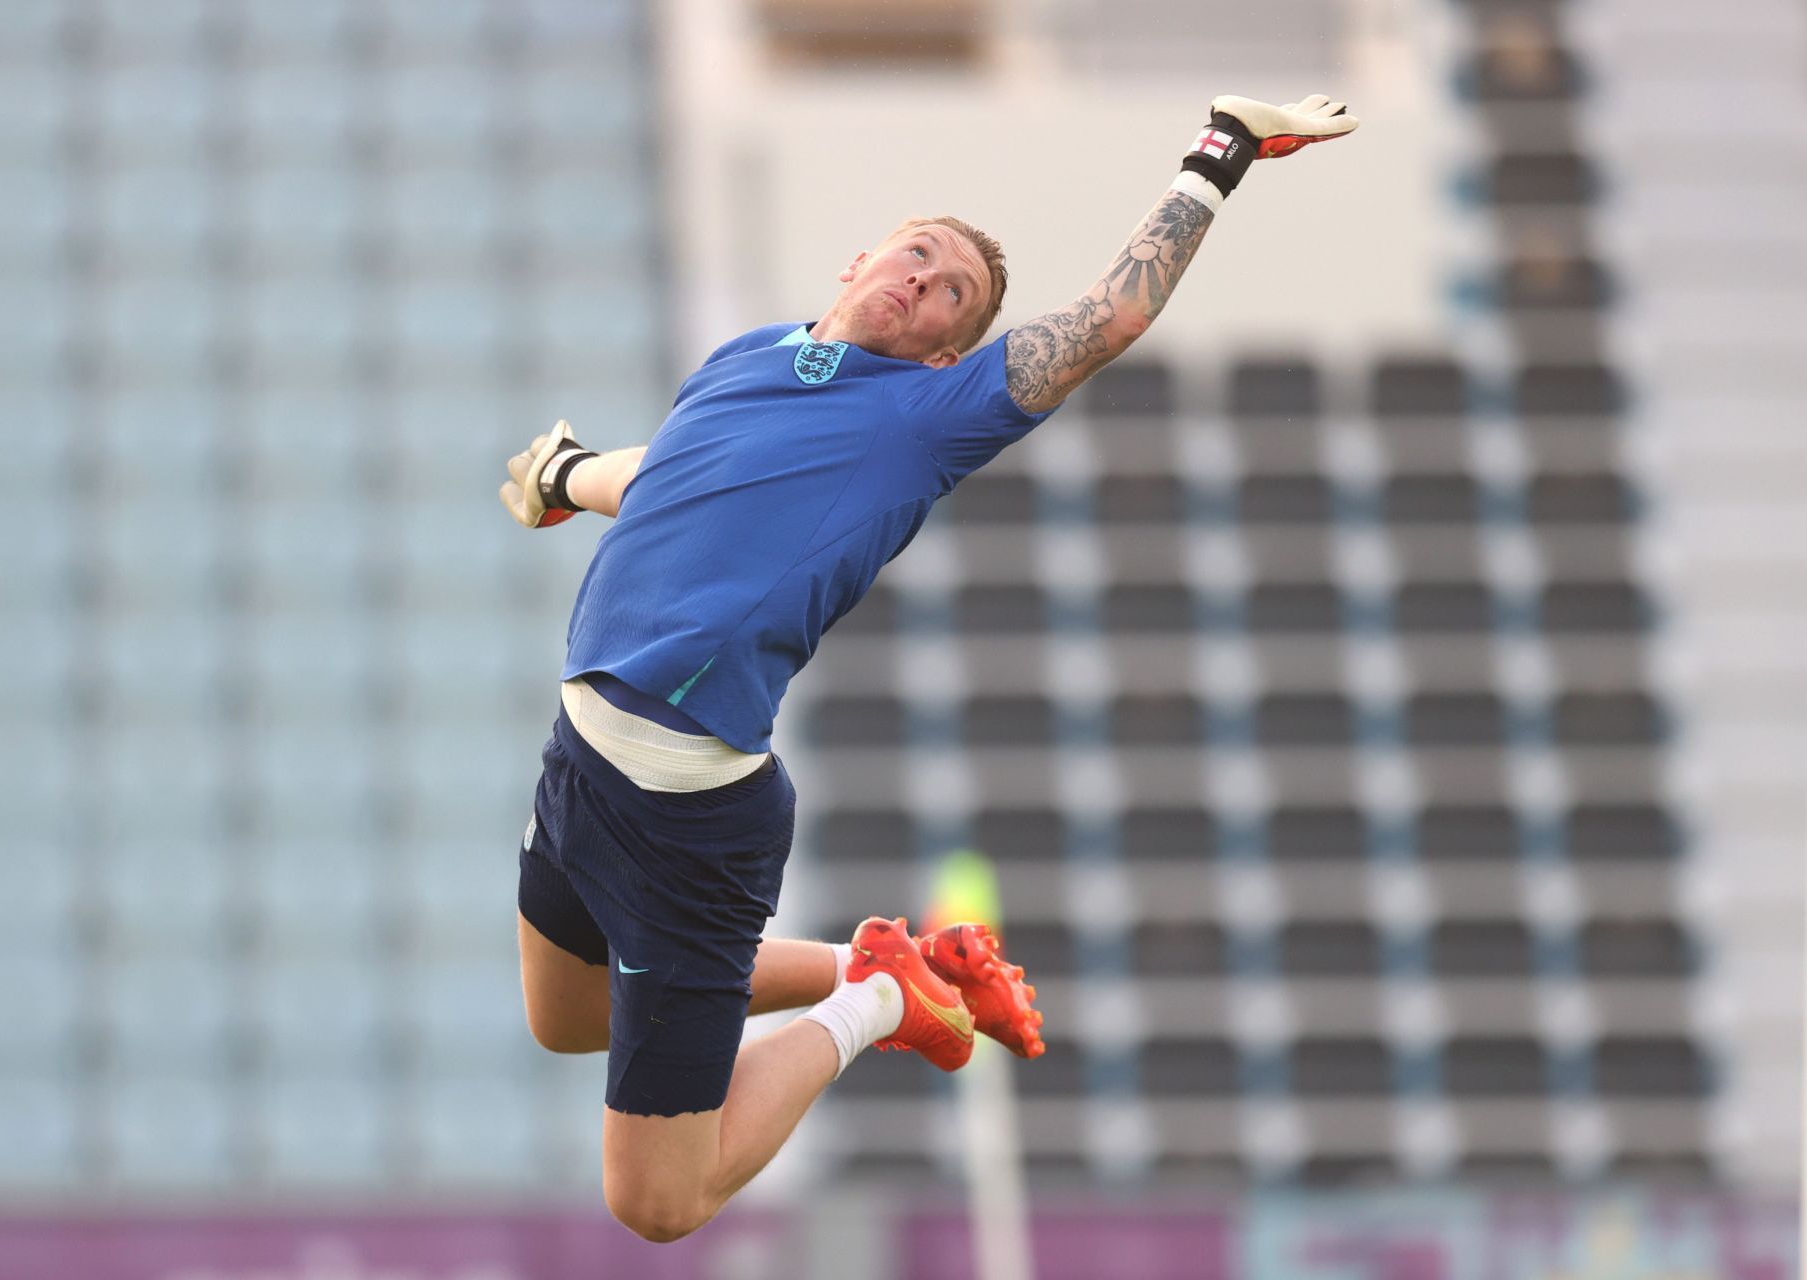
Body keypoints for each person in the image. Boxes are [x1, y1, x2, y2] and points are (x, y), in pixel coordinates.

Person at [499, 94, 1358, 1242]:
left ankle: (881, 1000)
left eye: (951, 292)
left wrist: (1222, 154)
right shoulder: (751, 356)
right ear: (862, 259)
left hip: (679, 807)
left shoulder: (925, 415)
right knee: (564, 1015)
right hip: (582, 758)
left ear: (949, 349)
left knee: (657, 1198)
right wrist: (568, 477)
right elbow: (677, 470)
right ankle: (876, 959)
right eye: (916, 253)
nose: (922, 280)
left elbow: (1109, 318)